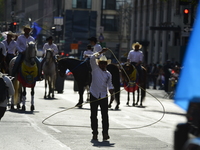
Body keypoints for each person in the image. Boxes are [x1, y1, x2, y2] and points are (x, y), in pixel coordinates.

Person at [89, 48, 114, 141]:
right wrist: (100, 52)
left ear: (106, 64)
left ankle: (105, 133)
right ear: (98, 63)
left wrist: (112, 94)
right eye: (101, 63)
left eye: (104, 63)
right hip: (94, 94)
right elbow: (92, 58)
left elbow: (110, 85)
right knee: (93, 115)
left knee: (105, 116)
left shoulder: (108, 74)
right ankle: (95, 133)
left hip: (103, 96)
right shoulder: (95, 69)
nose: (103, 65)